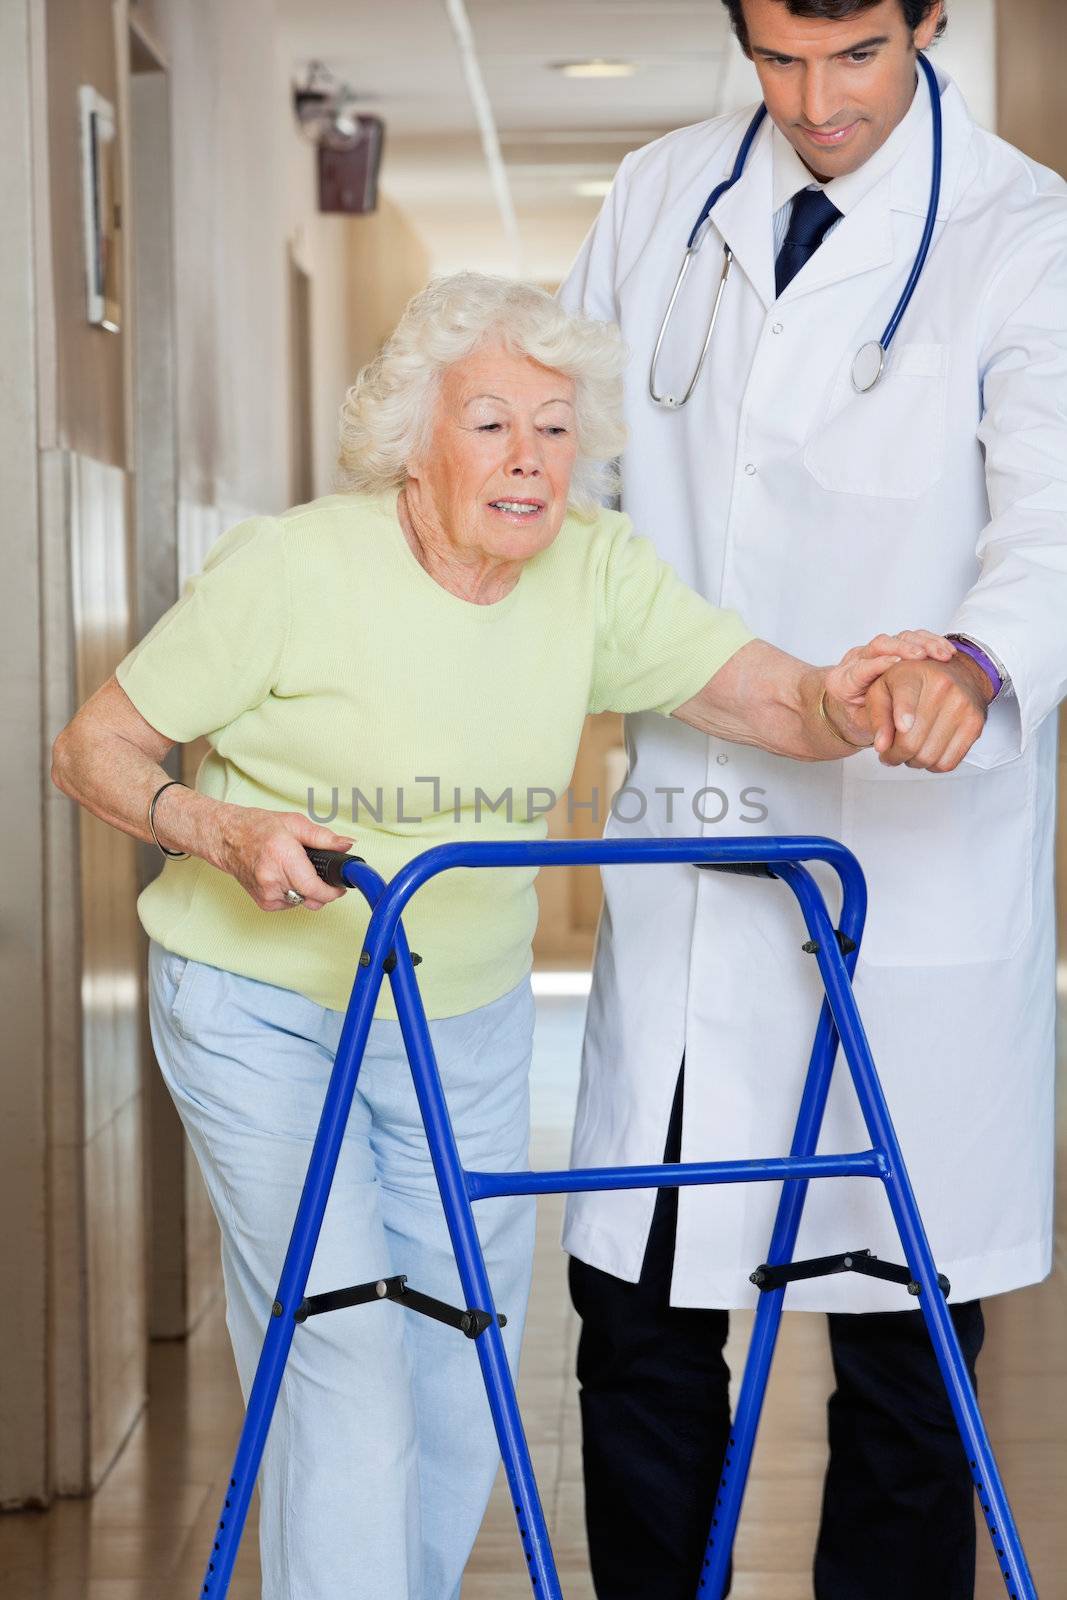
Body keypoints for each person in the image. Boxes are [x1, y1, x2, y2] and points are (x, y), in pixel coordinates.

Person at [50, 272, 954, 1600]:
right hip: (261, 1001)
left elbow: (760, 696)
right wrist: (218, 829)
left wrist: (844, 695)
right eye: (490, 423)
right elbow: (94, 747)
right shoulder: (297, 566)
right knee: (346, 1341)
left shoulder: (590, 569)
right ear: (414, 438)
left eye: (552, 426)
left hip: (456, 1008)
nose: (529, 458)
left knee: (458, 1356)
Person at [558, 2, 1067, 1597]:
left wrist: (976, 663)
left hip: (904, 858)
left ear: (927, 19)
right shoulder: (657, 197)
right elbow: (579, 479)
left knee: (902, 1345)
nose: (815, 101)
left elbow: (1055, 520)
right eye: (778, 57)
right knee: (636, 1323)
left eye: (856, 54)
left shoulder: (1022, 232)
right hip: (690, 841)